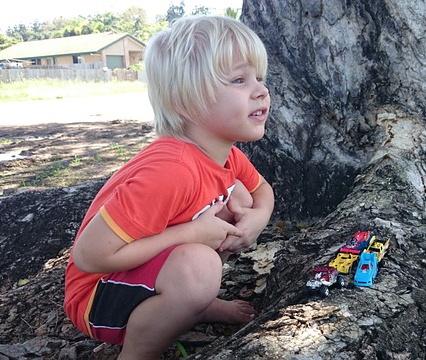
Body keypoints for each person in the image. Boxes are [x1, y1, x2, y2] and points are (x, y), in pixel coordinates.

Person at [64, 15, 274, 360]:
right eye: (239, 79)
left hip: (139, 272)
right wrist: (191, 233)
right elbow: (89, 257)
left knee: (239, 196)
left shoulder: (225, 155)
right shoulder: (171, 171)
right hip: (96, 296)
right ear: (185, 101)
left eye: (259, 77)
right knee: (199, 265)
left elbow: (262, 190)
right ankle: (139, 352)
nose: (260, 90)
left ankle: (195, 303)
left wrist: (258, 218)